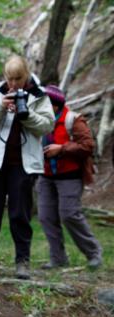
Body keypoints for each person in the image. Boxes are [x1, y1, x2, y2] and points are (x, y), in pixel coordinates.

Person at [0, 55, 54, 281]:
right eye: (10, 78)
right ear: (5, 76)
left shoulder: (38, 94)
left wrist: (27, 115)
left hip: (23, 166)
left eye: (18, 78)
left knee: (20, 215)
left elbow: (47, 125)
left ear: (26, 74)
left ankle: (22, 263)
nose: (14, 83)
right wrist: (0, 107)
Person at [37, 85, 103, 269]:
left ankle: (94, 253)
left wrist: (62, 148)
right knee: (46, 216)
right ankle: (58, 258)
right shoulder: (40, 120)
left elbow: (88, 146)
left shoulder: (73, 120)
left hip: (69, 176)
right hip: (45, 176)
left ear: (54, 105)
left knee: (69, 214)